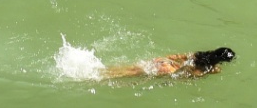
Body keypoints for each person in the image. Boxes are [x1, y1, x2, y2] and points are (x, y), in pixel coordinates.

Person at [96, 48, 236, 80]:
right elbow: (189, 75)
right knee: (126, 75)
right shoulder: (210, 68)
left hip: (164, 61)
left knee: (128, 69)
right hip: (168, 69)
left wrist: (162, 60)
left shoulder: (199, 54)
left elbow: (176, 56)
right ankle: (95, 77)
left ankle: (98, 70)